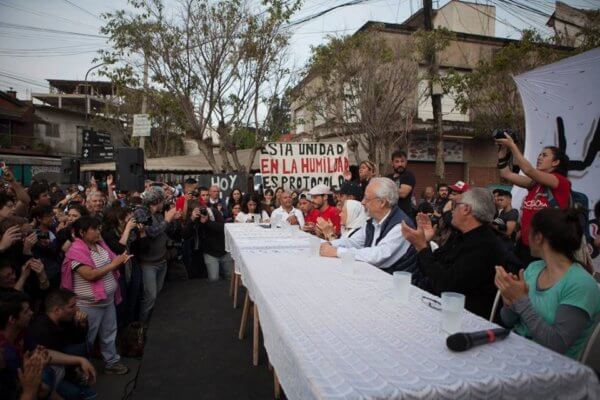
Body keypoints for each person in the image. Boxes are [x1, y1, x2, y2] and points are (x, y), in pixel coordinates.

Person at [495, 208, 600, 359]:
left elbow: (556, 345)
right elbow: (508, 320)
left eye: (528, 231)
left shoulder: (581, 285)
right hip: (516, 352)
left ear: (538, 237)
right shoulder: (534, 269)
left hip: (550, 368)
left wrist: (520, 300)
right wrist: (509, 299)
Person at [401, 187, 507, 318]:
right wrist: (426, 241)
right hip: (439, 304)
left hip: (463, 318)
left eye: (455, 206)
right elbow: (434, 266)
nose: (452, 210)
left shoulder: (484, 246)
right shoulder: (461, 234)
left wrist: (422, 247)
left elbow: (445, 286)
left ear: (466, 209)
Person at [61, 216, 131, 375]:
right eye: (95, 229)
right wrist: (114, 264)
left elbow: (112, 262)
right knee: (88, 339)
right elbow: (90, 275)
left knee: (109, 333)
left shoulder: (100, 245)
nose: (99, 231)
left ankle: (111, 362)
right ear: (82, 232)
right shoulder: (75, 251)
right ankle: (82, 370)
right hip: (88, 306)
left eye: (99, 227)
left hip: (107, 301)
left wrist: (120, 261)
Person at [496, 134, 571, 264]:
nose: (539, 157)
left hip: (546, 249)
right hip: (526, 247)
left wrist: (512, 145)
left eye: (544, 155)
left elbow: (528, 170)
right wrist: (502, 152)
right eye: (539, 155)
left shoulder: (560, 181)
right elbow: (506, 174)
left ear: (556, 162)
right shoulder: (534, 184)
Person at [320, 178, 417, 275]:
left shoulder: (401, 226)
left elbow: (378, 256)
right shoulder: (372, 221)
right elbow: (355, 241)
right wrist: (330, 244)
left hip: (405, 286)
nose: (362, 202)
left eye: (366, 198)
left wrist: (337, 252)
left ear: (382, 202)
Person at [27, 288, 97, 400]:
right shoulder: (42, 331)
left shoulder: (63, 321)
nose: (76, 309)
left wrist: (82, 324)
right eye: (72, 306)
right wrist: (75, 374)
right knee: (76, 394)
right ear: (57, 310)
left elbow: (77, 340)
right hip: (48, 374)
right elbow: (54, 359)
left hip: (61, 368)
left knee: (83, 346)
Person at [138, 188, 180, 322]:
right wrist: (167, 220)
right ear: (157, 201)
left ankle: (152, 324)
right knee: (150, 297)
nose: (164, 203)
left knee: (157, 295)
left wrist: (173, 219)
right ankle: (142, 326)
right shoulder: (141, 212)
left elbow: (168, 231)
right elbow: (152, 232)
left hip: (161, 261)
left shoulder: (158, 213)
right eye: (163, 200)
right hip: (148, 264)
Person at [184, 203, 233, 282]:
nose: (202, 212)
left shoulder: (214, 212)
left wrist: (207, 221)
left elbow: (222, 228)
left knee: (230, 276)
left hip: (224, 250)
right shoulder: (194, 218)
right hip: (209, 252)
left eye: (203, 210)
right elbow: (185, 235)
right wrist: (192, 219)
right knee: (213, 279)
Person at [386, 150, 416, 218]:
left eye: (402, 161)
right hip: (388, 215)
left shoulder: (408, 175)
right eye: (397, 161)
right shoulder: (388, 177)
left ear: (406, 162)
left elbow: (403, 193)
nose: (400, 164)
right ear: (392, 163)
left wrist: (386, 190)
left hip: (403, 215)